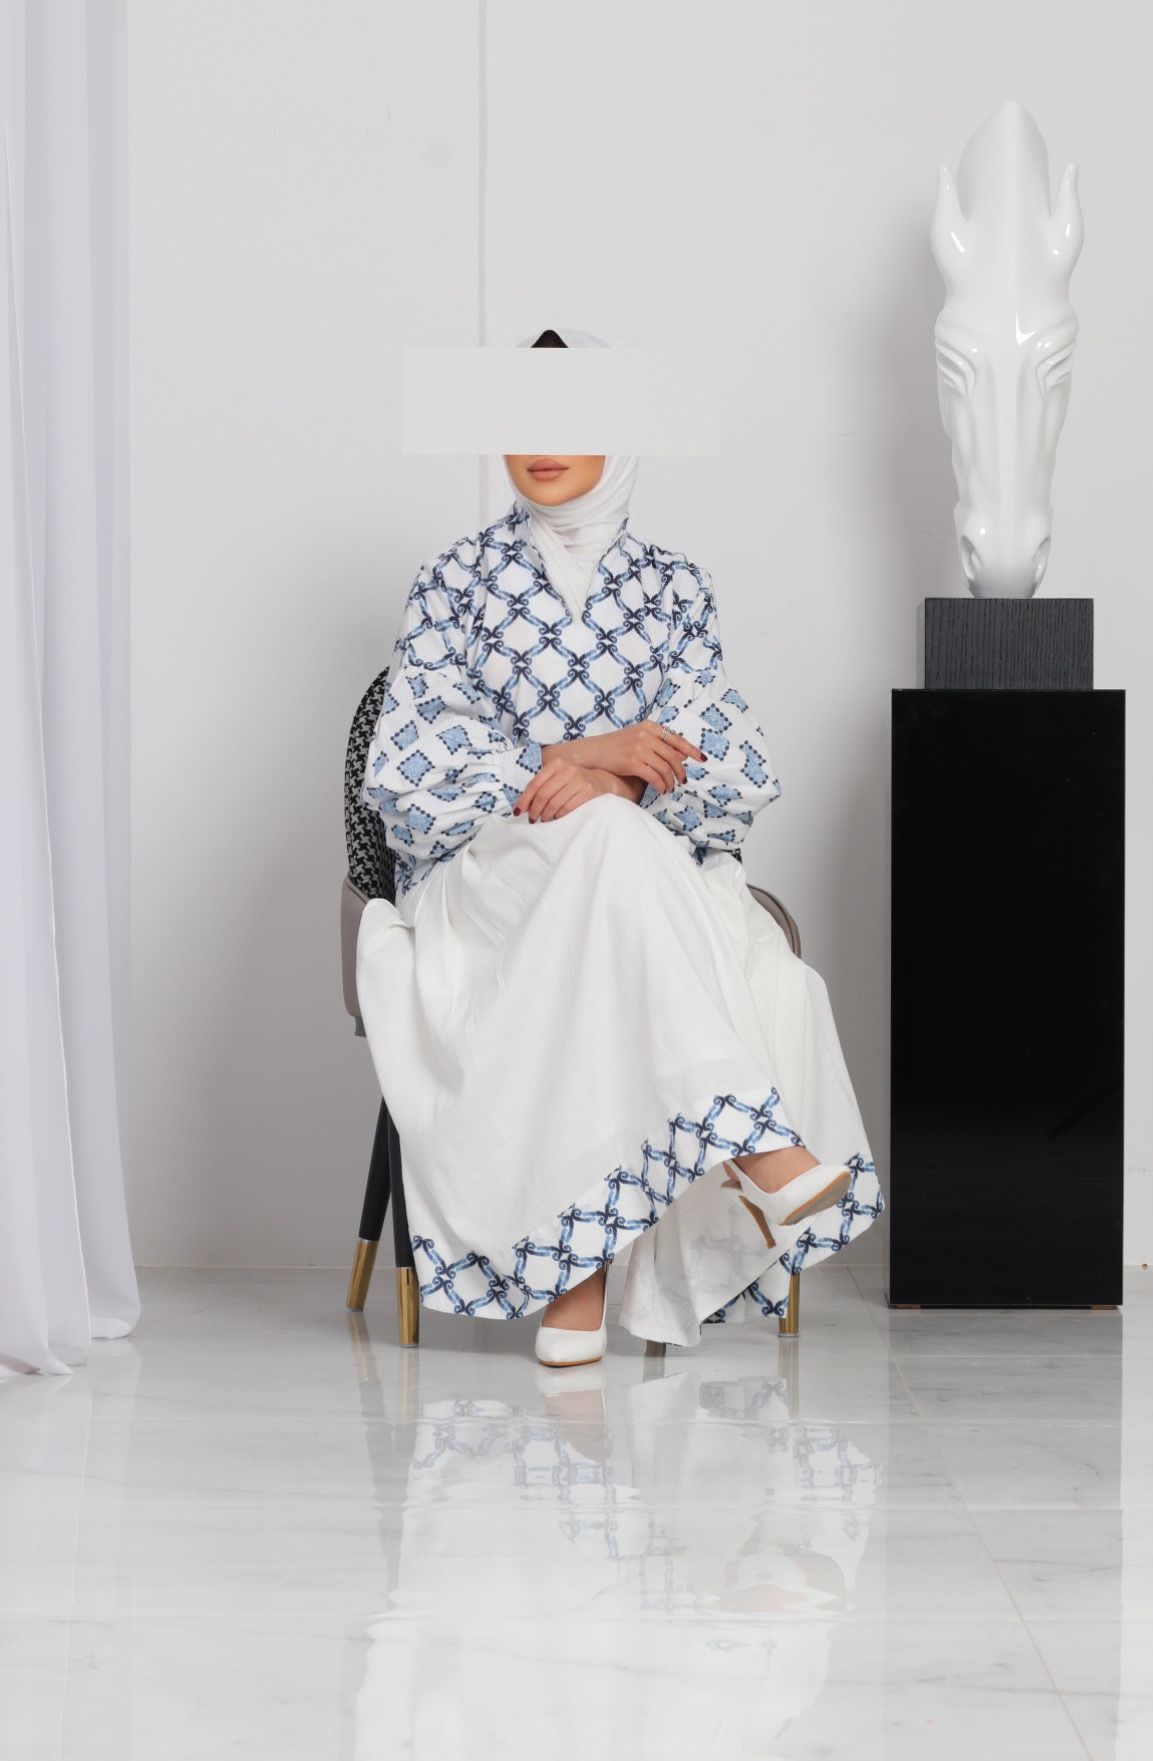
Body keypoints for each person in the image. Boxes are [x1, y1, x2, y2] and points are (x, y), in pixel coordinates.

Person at [355, 327, 884, 1366]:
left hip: (635, 875)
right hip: (489, 880)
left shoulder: (677, 589)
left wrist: (619, 785)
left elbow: (729, 769)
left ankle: (579, 1273)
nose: (539, 443)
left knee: (609, 851)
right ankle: (760, 1148)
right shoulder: (454, 580)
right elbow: (408, 767)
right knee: (600, 834)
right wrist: (584, 759)